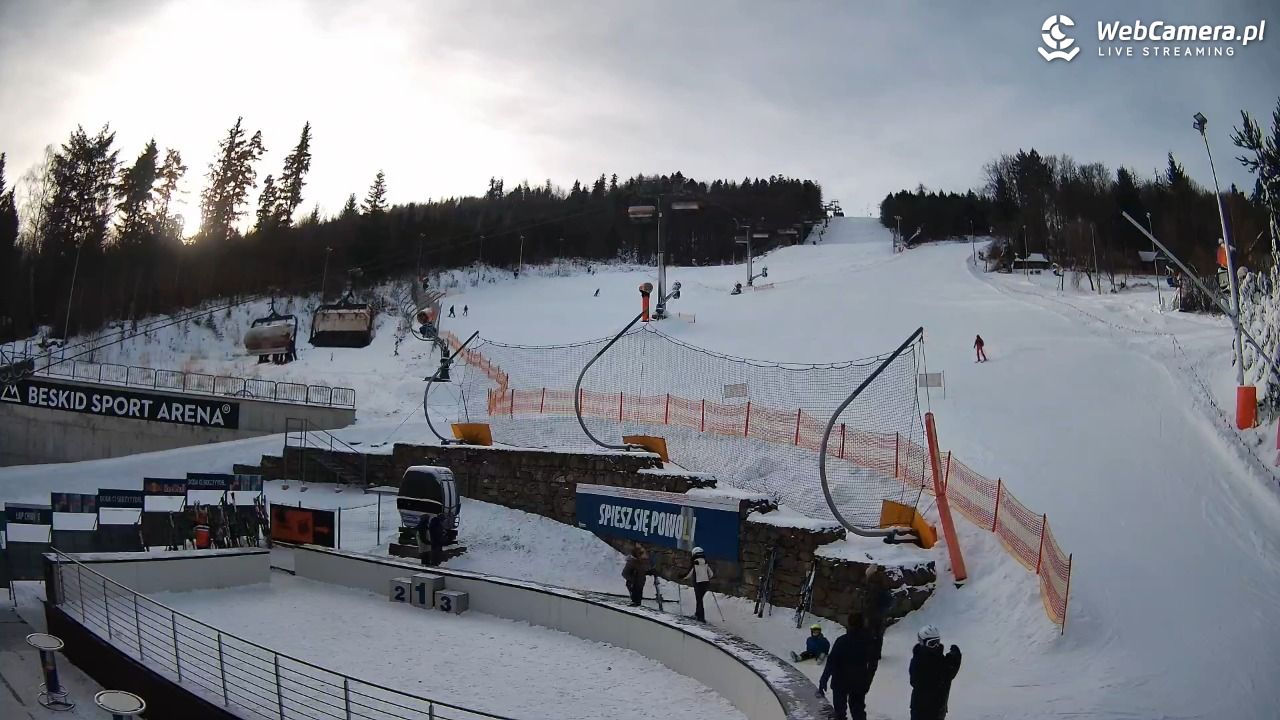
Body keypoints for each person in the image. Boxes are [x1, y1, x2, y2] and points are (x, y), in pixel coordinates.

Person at [818, 613, 877, 720]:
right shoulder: (868, 642)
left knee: (840, 712)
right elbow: (873, 664)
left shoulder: (841, 641)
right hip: (859, 682)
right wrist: (867, 681)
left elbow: (831, 662)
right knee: (858, 711)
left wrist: (824, 679)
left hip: (840, 681)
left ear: (849, 624)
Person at [909, 625, 962, 720]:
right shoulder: (918, 661)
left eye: (937, 642)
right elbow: (920, 681)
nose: (936, 646)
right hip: (922, 710)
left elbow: (948, 675)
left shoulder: (939, 659)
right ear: (922, 643)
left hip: (939, 708)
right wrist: (950, 663)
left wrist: (955, 659)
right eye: (932, 643)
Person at [681, 546, 714, 621]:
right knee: (700, 599)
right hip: (706, 584)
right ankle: (698, 614)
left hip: (698, 583)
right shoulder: (705, 562)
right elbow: (711, 574)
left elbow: (689, 574)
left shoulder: (695, 562)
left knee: (699, 600)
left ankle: (701, 617)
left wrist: (682, 576)